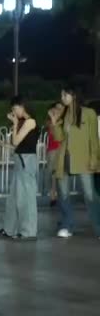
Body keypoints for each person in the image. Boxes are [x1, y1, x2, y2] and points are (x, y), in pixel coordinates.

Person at [50, 85, 100, 238]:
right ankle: (67, 225)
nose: (62, 98)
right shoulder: (63, 113)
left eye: (65, 95)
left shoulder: (89, 113)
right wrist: (54, 122)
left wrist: (94, 159)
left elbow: (94, 139)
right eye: (61, 95)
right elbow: (59, 138)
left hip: (83, 159)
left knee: (89, 194)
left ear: (74, 95)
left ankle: (98, 226)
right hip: (64, 158)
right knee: (63, 193)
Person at [0, 97, 41, 240]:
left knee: (25, 198)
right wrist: (4, 144)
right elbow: (18, 145)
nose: (13, 112)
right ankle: (9, 229)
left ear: (22, 106)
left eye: (15, 109)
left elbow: (16, 141)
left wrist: (14, 124)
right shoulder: (24, 122)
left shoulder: (30, 122)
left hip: (26, 161)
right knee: (13, 198)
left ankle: (28, 231)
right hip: (20, 160)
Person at [43, 102, 63, 207]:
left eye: (61, 108)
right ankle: (52, 196)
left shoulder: (64, 121)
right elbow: (51, 131)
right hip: (53, 150)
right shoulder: (50, 121)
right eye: (57, 108)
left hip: (62, 149)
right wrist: (53, 119)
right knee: (52, 174)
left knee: (60, 174)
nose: (59, 110)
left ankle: (59, 195)